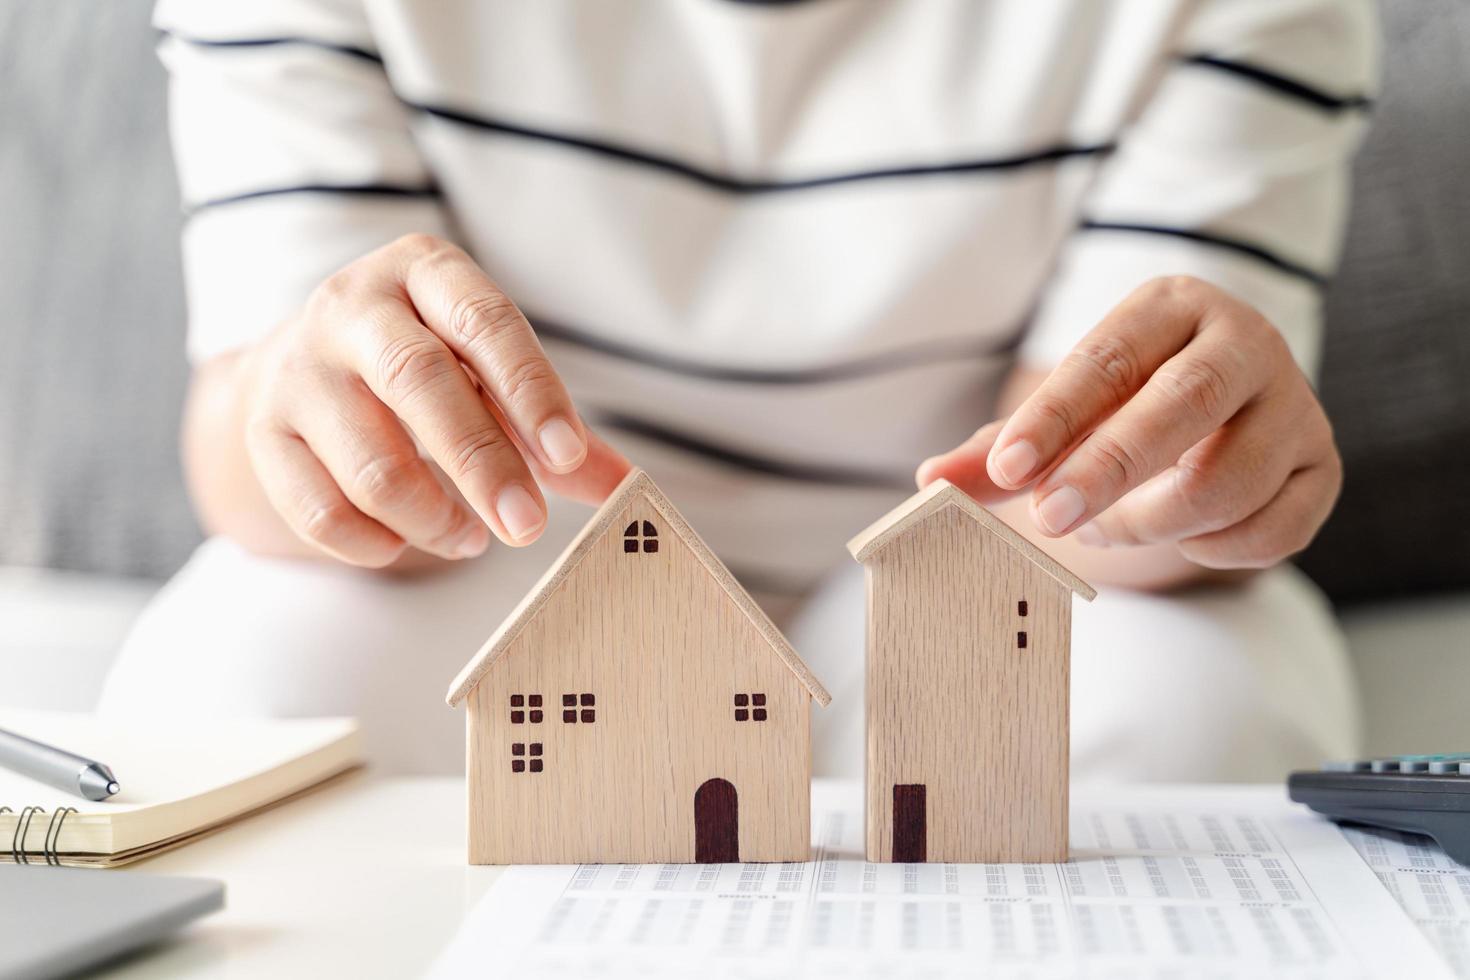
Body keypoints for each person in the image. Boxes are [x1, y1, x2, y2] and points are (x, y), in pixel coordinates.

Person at [100, 0, 1376, 779]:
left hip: (968, 552)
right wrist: (307, 408)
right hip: (513, 556)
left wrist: (1188, 473)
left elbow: (1105, 480)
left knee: (1195, 703)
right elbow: (246, 443)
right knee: (231, 683)